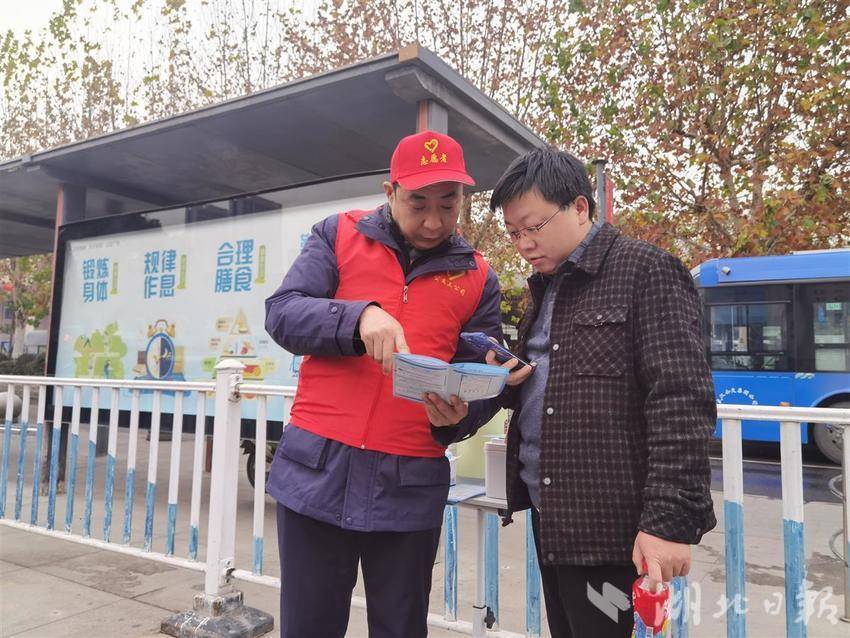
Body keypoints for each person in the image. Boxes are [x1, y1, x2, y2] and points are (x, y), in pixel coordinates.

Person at [264, 130, 519, 638]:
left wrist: (460, 415)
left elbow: (483, 370)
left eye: (448, 205)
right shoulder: (337, 234)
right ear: (390, 192)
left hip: (408, 485)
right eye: (418, 203)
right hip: (317, 472)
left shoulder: (478, 276)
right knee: (309, 626)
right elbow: (283, 313)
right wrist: (358, 317)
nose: (433, 221)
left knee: (400, 628)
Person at [484, 147, 717, 638]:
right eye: (513, 232)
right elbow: (556, 387)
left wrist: (667, 523)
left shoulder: (646, 271)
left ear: (579, 207)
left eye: (533, 226)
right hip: (551, 514)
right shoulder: (546, 287)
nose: (524, 243)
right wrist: (509, 380)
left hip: (613, 529)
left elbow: (681, 401)